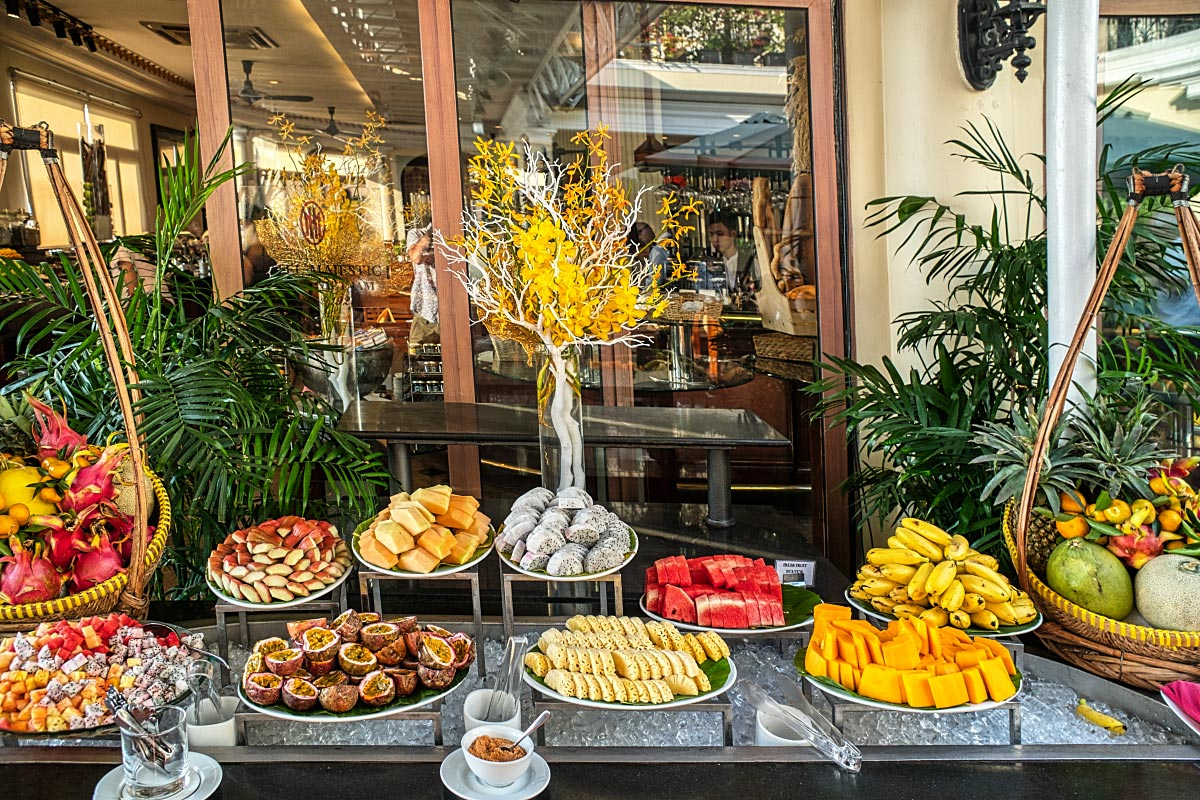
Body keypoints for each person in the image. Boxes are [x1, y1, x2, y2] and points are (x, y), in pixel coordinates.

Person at [707, 211, 759, 294]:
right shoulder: (711, 264)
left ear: (733, 233)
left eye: (720, 234)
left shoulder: (753, 264)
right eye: (711, 234)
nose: (714, 239)